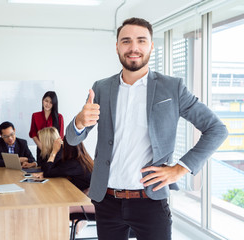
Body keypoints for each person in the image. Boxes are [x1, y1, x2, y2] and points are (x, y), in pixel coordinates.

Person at [65, 17, 228, 240]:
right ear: (117, 47)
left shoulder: (172, 87)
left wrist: (180, 169)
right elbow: (72, 140)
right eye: (126, 41)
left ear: (151, 45)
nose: (133, 48)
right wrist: (79, 122)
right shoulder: (101, 88)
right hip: (107, 200)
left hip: (150, 202)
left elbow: (216, 129)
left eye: (141, 41)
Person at [34, 127, 94, 235]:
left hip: (87, 203)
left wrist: (54, 152)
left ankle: (56, 234)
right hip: (89, 198)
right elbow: (53, 170)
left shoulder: (73, 163)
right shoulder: (83, 159)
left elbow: (48, 171)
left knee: (55, 205)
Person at [29, 91, 64, 166]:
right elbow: (33, 133)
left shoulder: (59, 117)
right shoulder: (35, 115)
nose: (47, 104)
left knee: (54, 172)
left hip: (54, 150)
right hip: (41, 148)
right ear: (42, 100)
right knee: (41, 170)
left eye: (51, 102)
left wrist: (54, 150)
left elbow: (60, 136)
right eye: (46, 101)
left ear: (54, 104)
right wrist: (41, 147)